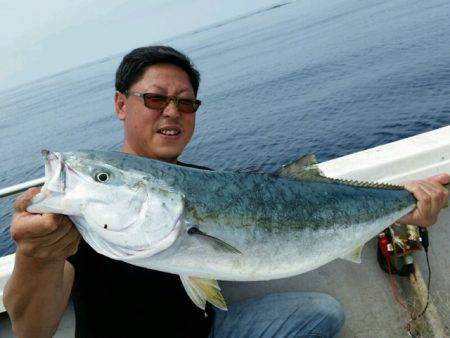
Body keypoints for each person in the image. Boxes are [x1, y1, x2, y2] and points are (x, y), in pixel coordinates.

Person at [3, 45, 449, 338]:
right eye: (155, 99)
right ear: (121, 104)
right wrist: (34, 254)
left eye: (186, 102)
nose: (172, 112)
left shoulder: (204, 180)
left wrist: (405, 206)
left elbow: (289, 211)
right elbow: (31, 329)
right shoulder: (81, 213)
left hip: (209, 329)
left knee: (320, 312)